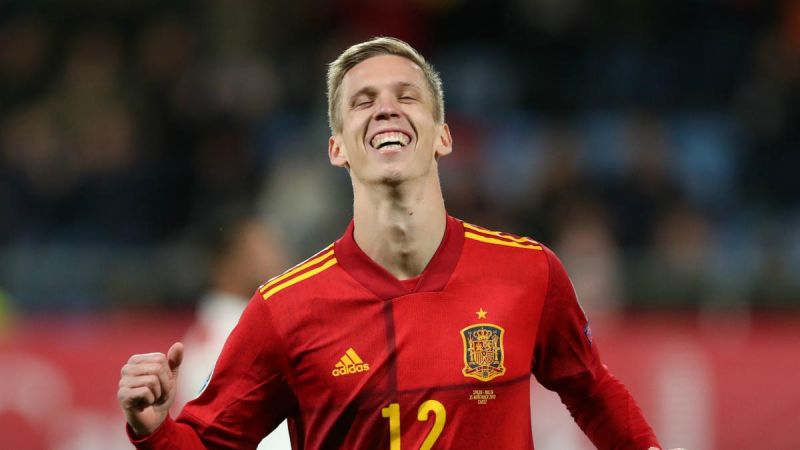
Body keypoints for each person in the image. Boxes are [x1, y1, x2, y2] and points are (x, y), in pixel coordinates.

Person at [118, 37, 666, 449]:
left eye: (407, 96)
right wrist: (153, 431)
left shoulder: (528, 272)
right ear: (337, 148)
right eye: (363, 101)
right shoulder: (283, 311)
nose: (386, 108)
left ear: (443, 136)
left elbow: (591, 390)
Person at [176, 214, 292, 449]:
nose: (279, 257)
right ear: (226, 265)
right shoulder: (223, 340)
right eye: (261, 250)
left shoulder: (238, 325)